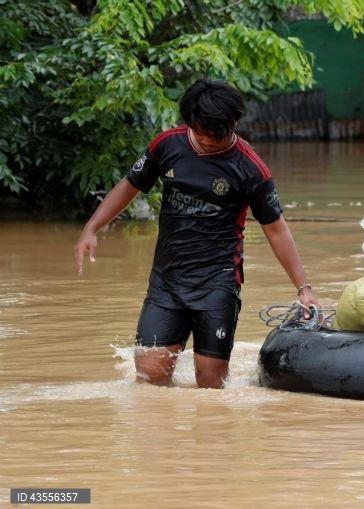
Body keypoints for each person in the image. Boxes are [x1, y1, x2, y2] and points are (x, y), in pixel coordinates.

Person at [73, 78, 320, 388]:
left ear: (233, 123)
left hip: (217, 285)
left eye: (216, 135)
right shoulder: (167, 145)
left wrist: (303, 288)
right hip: (166, 282)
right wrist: (92, 227)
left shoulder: (250, 168)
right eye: (201, 132)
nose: (207, 141)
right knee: (149, 376)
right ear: (190, 121)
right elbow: (129, 186)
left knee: (210, 386)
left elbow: (277, 230)